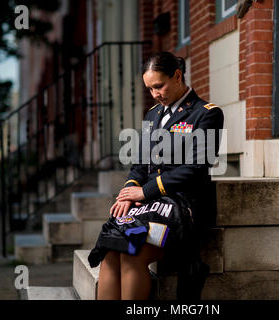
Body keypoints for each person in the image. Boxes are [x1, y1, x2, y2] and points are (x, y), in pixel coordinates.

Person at [88, 52, 224, 300]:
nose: (154, 94)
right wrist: (128, 193)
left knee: (132, 253)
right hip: (150, 205)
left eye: (158, 86)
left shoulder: (206, 113)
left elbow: (196, 167)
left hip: (184, 207)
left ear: (177, 76)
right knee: (110, 251)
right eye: (150, 89)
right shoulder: (153, 115)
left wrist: (145, 191)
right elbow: (140, 165)